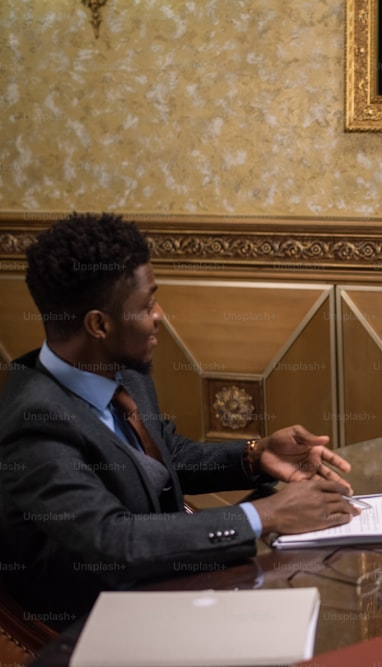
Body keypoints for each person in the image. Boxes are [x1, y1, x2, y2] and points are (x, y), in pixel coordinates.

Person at [0, 213, 359, 630]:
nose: (160, 315)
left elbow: (162, 456)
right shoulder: (34, 424)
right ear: (99, 324)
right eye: (148, 303)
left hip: (178, 589)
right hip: (100, 630)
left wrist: (255, 455)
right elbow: (113, 541)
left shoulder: (120, 369)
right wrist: (265, 515)